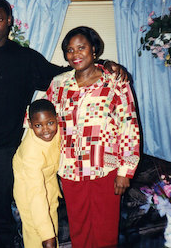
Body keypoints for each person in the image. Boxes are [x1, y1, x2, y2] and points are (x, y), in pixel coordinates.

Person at [0, 0, 127, 247]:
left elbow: (67, 72)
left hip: (3, 154)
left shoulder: (26, 58)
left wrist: (103, 64)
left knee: (2, 219)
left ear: (9, 21)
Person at [43, 26, 140, 248]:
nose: (75, 54)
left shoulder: (115, 82)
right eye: (69, 50)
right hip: (70, 169)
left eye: (81, 48)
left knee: (105, 232)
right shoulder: (58, 84)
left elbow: (129, 126)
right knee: (80, 231)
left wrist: (125, 171)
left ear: (94, 50)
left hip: (105, 167)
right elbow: (41, 120)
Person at [13, 99, 61, 248]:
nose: (46, 130)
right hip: (29, 190)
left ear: (57, 119)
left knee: (52, 227)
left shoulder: (58, 130)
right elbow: (36, 194)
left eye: (50, 123)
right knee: (37, 232)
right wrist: (47, 237)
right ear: (29, 123)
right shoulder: (30, 152)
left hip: (49, 181)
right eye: (38, 126)